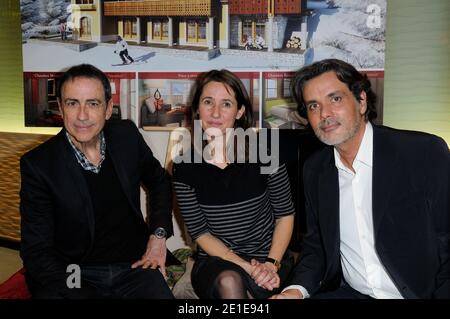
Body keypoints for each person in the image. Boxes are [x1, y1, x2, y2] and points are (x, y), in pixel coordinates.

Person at [271, 59, 449, 299]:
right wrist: (295, 291)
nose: (324, 114)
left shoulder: (422, 153)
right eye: (313, 106)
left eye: (335, 99)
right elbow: (317, 248)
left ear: (362, 101)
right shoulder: (315, 170)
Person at [20, 64, 174, 299]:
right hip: (73, 271)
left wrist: (158, 235)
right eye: (73, 103)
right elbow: (37, 251)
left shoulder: (126, 136)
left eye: (92, 103)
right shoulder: (39, 165)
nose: (82, 115)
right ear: (61, 108)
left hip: (133, 264)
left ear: (108, 108)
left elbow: (159, 181)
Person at [172, 69, 296, 299]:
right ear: (197, 108)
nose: (215, 112)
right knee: (229, 281)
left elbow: (285, 215)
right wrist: (247, 266)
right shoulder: (183, 167)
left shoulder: (265, 155)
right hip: (218, 260)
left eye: (226, 104)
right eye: (208, 102)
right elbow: (200, 233)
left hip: (270, 256)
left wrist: (270, 264)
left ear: (239, 111)